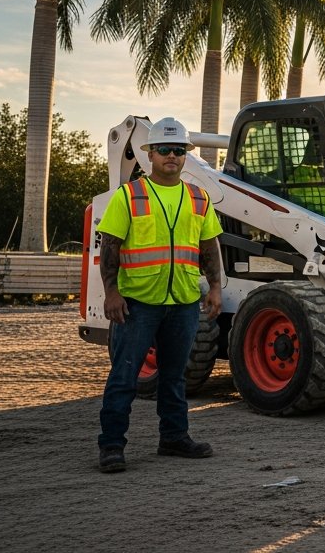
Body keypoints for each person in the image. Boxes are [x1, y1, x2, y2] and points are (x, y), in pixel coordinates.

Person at [96, 117, 223, 474]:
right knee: (124, 377)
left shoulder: (198, 197)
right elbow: (110, 246)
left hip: (183, 302)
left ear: (186, 156)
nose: (172, 156)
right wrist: (111, 293)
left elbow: (208, 244)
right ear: (149, 154)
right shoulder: (129, 196)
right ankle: (111, 446)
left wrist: (214, 287)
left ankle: (173, 437)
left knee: (174, 376)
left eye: (179, 150)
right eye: (165, 149)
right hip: (137, 303)